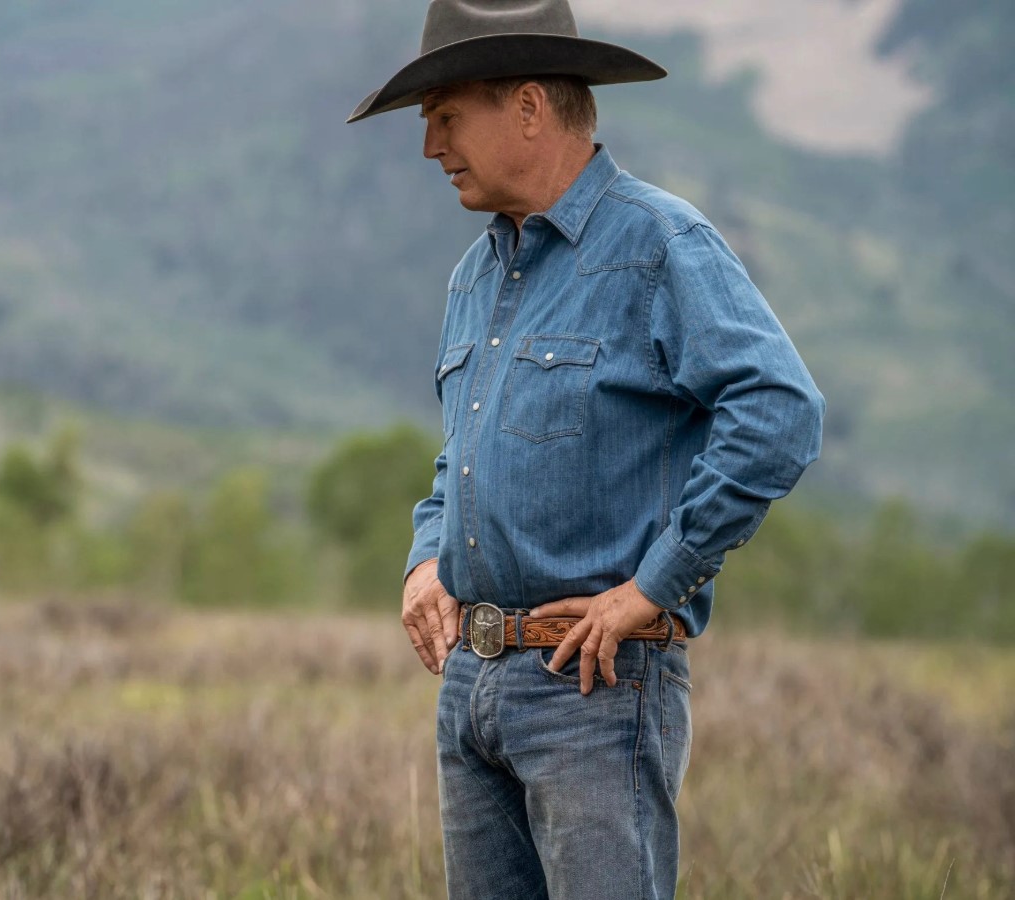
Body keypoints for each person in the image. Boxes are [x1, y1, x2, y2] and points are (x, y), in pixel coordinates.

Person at [346, 2, 825, 898]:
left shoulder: (659, 243)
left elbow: (780, 411)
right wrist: (424, 561)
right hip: (472, 686)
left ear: (527, 107)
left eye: (445, 117)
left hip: (594, 690)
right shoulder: (474, 275)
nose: (429, 148)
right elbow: (462, 456)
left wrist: (653, 589)